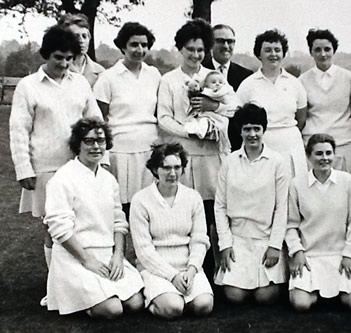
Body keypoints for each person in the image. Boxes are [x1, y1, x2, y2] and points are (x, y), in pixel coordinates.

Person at [9, 25, 104, 305]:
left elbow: (96, 123)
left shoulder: (80, 83)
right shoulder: (28, 86)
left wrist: (103, 159)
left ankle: (78, 281)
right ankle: (56, 288)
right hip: (45, 169)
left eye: (69, 58)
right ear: (45, 55)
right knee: (53, 230)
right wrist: (24, 169)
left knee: (79, 225)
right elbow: (18, 130)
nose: (64, 64)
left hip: (79, 167)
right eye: (58, 58)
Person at [157, 19, 235, 279]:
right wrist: (187, 130)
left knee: (213, 213)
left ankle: (217, 272)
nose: (196, 55)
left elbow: (232, 109)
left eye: (201, 50)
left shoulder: (214, 78)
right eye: (190, 49)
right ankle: (188, 269)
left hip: (212, 156)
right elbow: (164, 118)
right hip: (185, 155)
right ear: (180, 49)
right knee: (188, 212)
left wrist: (215, 114)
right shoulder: (169, 80)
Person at [44, 117, 144, 318]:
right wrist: (87, 260)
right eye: (89, 141)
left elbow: (118, 221)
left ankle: (99, 292)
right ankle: (76, 300)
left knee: (136, 303)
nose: (96, 147)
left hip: (106, 255)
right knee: (112, 310)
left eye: (101, 141)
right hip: (75, 258)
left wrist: (118, 255)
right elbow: (59, 229)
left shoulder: (108, 179)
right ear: (77, 145)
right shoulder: (63, 179)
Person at [214, 104, 289, 304]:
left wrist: (274, 246)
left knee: (265, 297)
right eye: (247, 129)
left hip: (265, 239)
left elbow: (282, 208)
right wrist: (225, 244)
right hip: (237, 238)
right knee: (234, 296)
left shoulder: (277, 162)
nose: (252, 134)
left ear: (264, 130)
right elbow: (219, 206)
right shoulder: (229, 162)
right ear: (240, 131)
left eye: (257, 128)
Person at [130, 143, 214, 319]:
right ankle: (153, 302)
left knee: (204, 306)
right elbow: (143, 250)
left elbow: (199, 240)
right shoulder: (140, 200)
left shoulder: (193, 197)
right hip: (156, 267)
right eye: (166, 168)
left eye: (177, 167)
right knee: (173, 309)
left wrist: (191, 271)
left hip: (187, 266)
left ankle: (183, 296)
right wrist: (172, 276)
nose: (172, 173)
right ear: (155, 170)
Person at [285, 134, 351, 311]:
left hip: (341, 255)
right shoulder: (297, 184)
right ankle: (316, 292)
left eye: (329, 153)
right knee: (301, 304)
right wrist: (297, 251)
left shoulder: (347, 182)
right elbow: (290, 226)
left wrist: (348, 254)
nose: (325, 158)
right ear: (309, 157)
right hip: (309, 256)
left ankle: (336, 292)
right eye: (319, 154)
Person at [94, 22, 161, 216]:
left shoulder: (154, 74)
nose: (139, 50)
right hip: (120, 153)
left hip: (149, 150)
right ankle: (119, 247)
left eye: (144, 45)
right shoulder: (108, 78)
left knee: (149, 208)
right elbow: (99, 119)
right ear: (123, 46)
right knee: (121, 209)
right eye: (134, 44)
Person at [237, 29, 308, 181]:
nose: (273, 54)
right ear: (259, 54)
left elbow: (301, 118)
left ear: (283, 53)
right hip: (261, 144)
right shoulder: (248, 84)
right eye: (267, 50)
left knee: (291, 192)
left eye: (277, 50)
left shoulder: (295, 83)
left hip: (290, 145)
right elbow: (238, 118)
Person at [300, 29, 351, 178]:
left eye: (327, 49)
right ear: (311, 52)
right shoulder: (302, 81)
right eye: (317, 50)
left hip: (344, 146)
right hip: (313, 147)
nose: (323, 54)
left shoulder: (349, 78)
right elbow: (301, 117)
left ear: (334, 50)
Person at [203, 24, 253, 151]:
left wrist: (215, 107)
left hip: (237, 145)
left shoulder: (246, 76)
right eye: (220, 41)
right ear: (210, 43)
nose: (226, 46)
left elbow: (245, 113)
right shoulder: (201, 72)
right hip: (205, 145)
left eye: (230, 41)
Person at [183, 70, 234, 156]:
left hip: (213, 146)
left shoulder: (218, 79)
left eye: (220, 82)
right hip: (187, 147)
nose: (217, 84)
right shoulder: (169, 79)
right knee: (199, 122)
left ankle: (205, 132)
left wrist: (215, 106)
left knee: (210, 123)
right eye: (213, 82)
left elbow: (234, 108)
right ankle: (197, 131)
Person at [58, 13, 105, 87]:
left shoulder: (100, 72)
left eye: (84, 36)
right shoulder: (57, 69)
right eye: (76, 36)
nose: (81, 40)